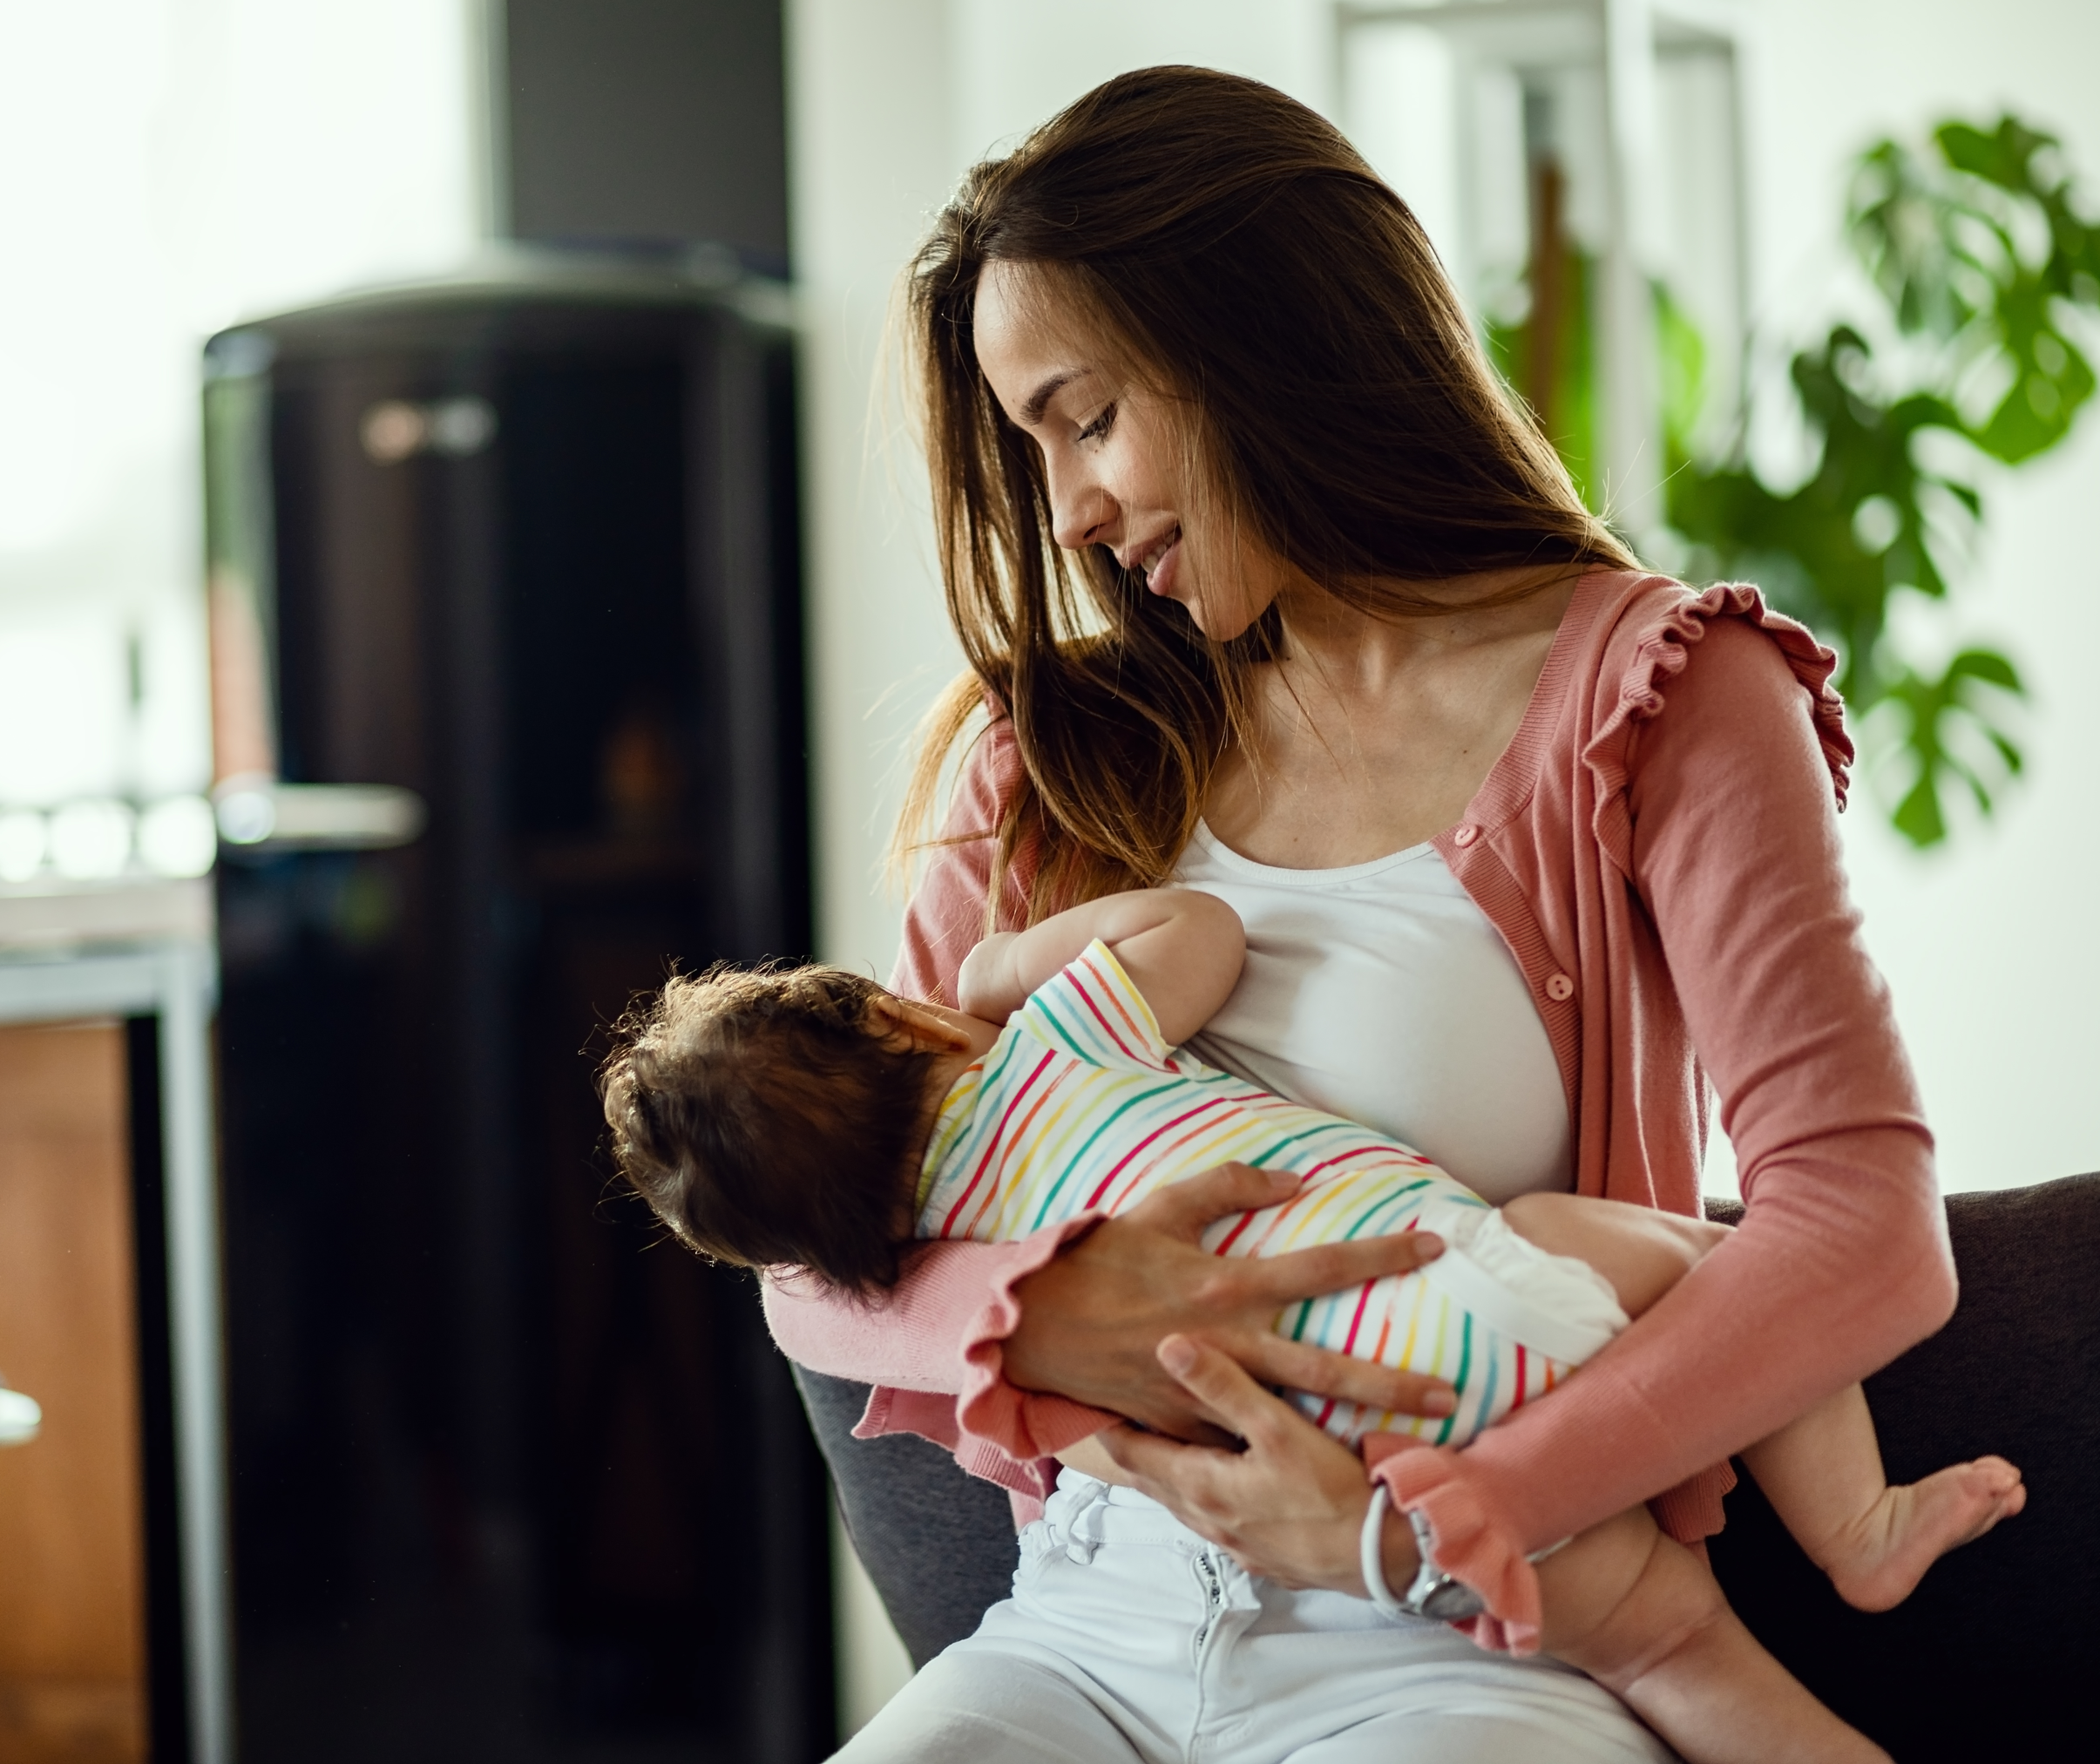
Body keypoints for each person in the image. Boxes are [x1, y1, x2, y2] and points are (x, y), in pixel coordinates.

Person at [762, 63, 1973, 1763]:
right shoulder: (1044, 763)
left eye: (1087, 417)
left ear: (1258, 335)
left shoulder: (1662, 698)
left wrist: (1453, 1510)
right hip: (1082, 1632)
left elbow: (1858, 1220)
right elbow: (812, 1257)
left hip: (1468, 1641)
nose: (1071, 516)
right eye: (1030, 451)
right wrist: (1035, 1310)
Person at [604, 888, 2023, 1761]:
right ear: (908, 1027)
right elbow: (1198, 933)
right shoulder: (1051, 1040)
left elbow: (815, 1296)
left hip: (1299, 1454)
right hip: (1462, 1328)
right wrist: (1006, 967)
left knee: (1666, 1648)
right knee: (1707, 1268)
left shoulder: (942, 1252)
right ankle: (1857, 1528)